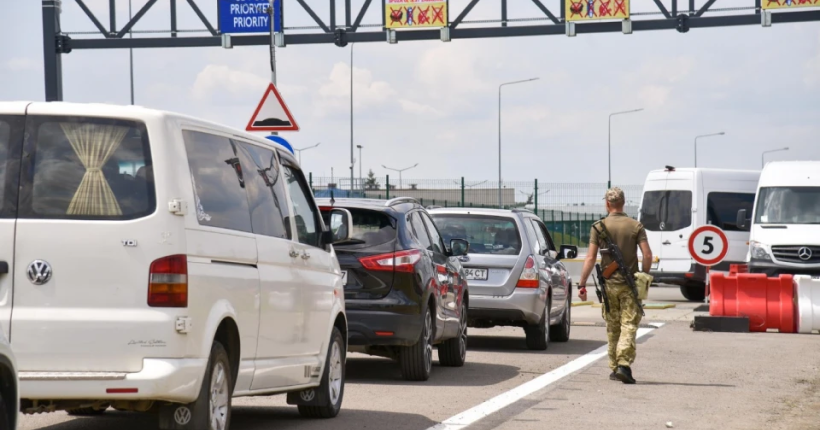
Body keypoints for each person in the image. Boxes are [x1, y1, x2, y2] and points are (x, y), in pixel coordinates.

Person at [578, 188, 653, 384]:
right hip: (630, 285)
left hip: (608, 284)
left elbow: (590, 257)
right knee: (629, 324)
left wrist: (582, 283)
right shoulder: (636, 226)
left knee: (613, 326)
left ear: (607, 204)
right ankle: (623, 364)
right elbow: (646, 255)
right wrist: (644, 275)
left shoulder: (598, 227)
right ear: (624, 202)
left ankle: (614, 367)